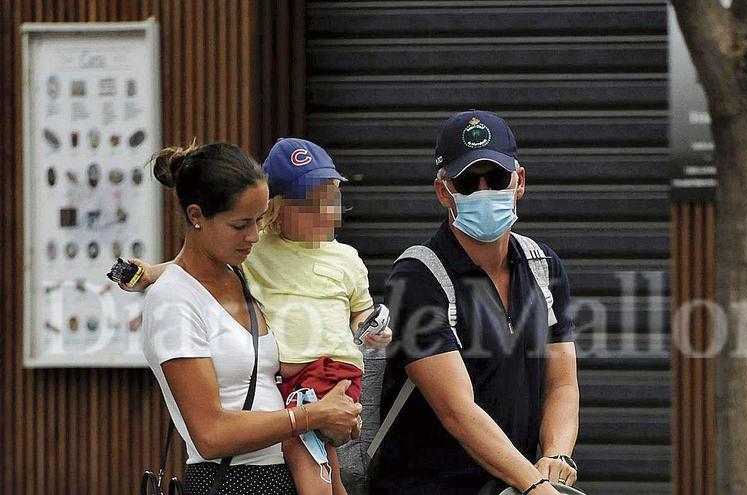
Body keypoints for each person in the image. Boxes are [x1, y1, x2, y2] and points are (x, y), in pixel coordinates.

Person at [132, 139, 391, 495]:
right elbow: (209, 436)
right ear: (196, 217)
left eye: (258, 220)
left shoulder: (242, 277)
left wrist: (334, 415)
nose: (255, 236)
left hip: (285, 470)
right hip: (235, 481)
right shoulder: (174, 300)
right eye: (240, 225)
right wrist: (310, 416)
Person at [370, 110, 580, 495]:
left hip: (511, 487)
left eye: (497, 178)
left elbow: (562, 383)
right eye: (468, 181)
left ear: (519, 182)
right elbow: (457, 410)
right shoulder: (417, 278)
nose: (485, 190)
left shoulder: (541, 265)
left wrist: (556, 456)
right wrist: (534, 484)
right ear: (443, 191)